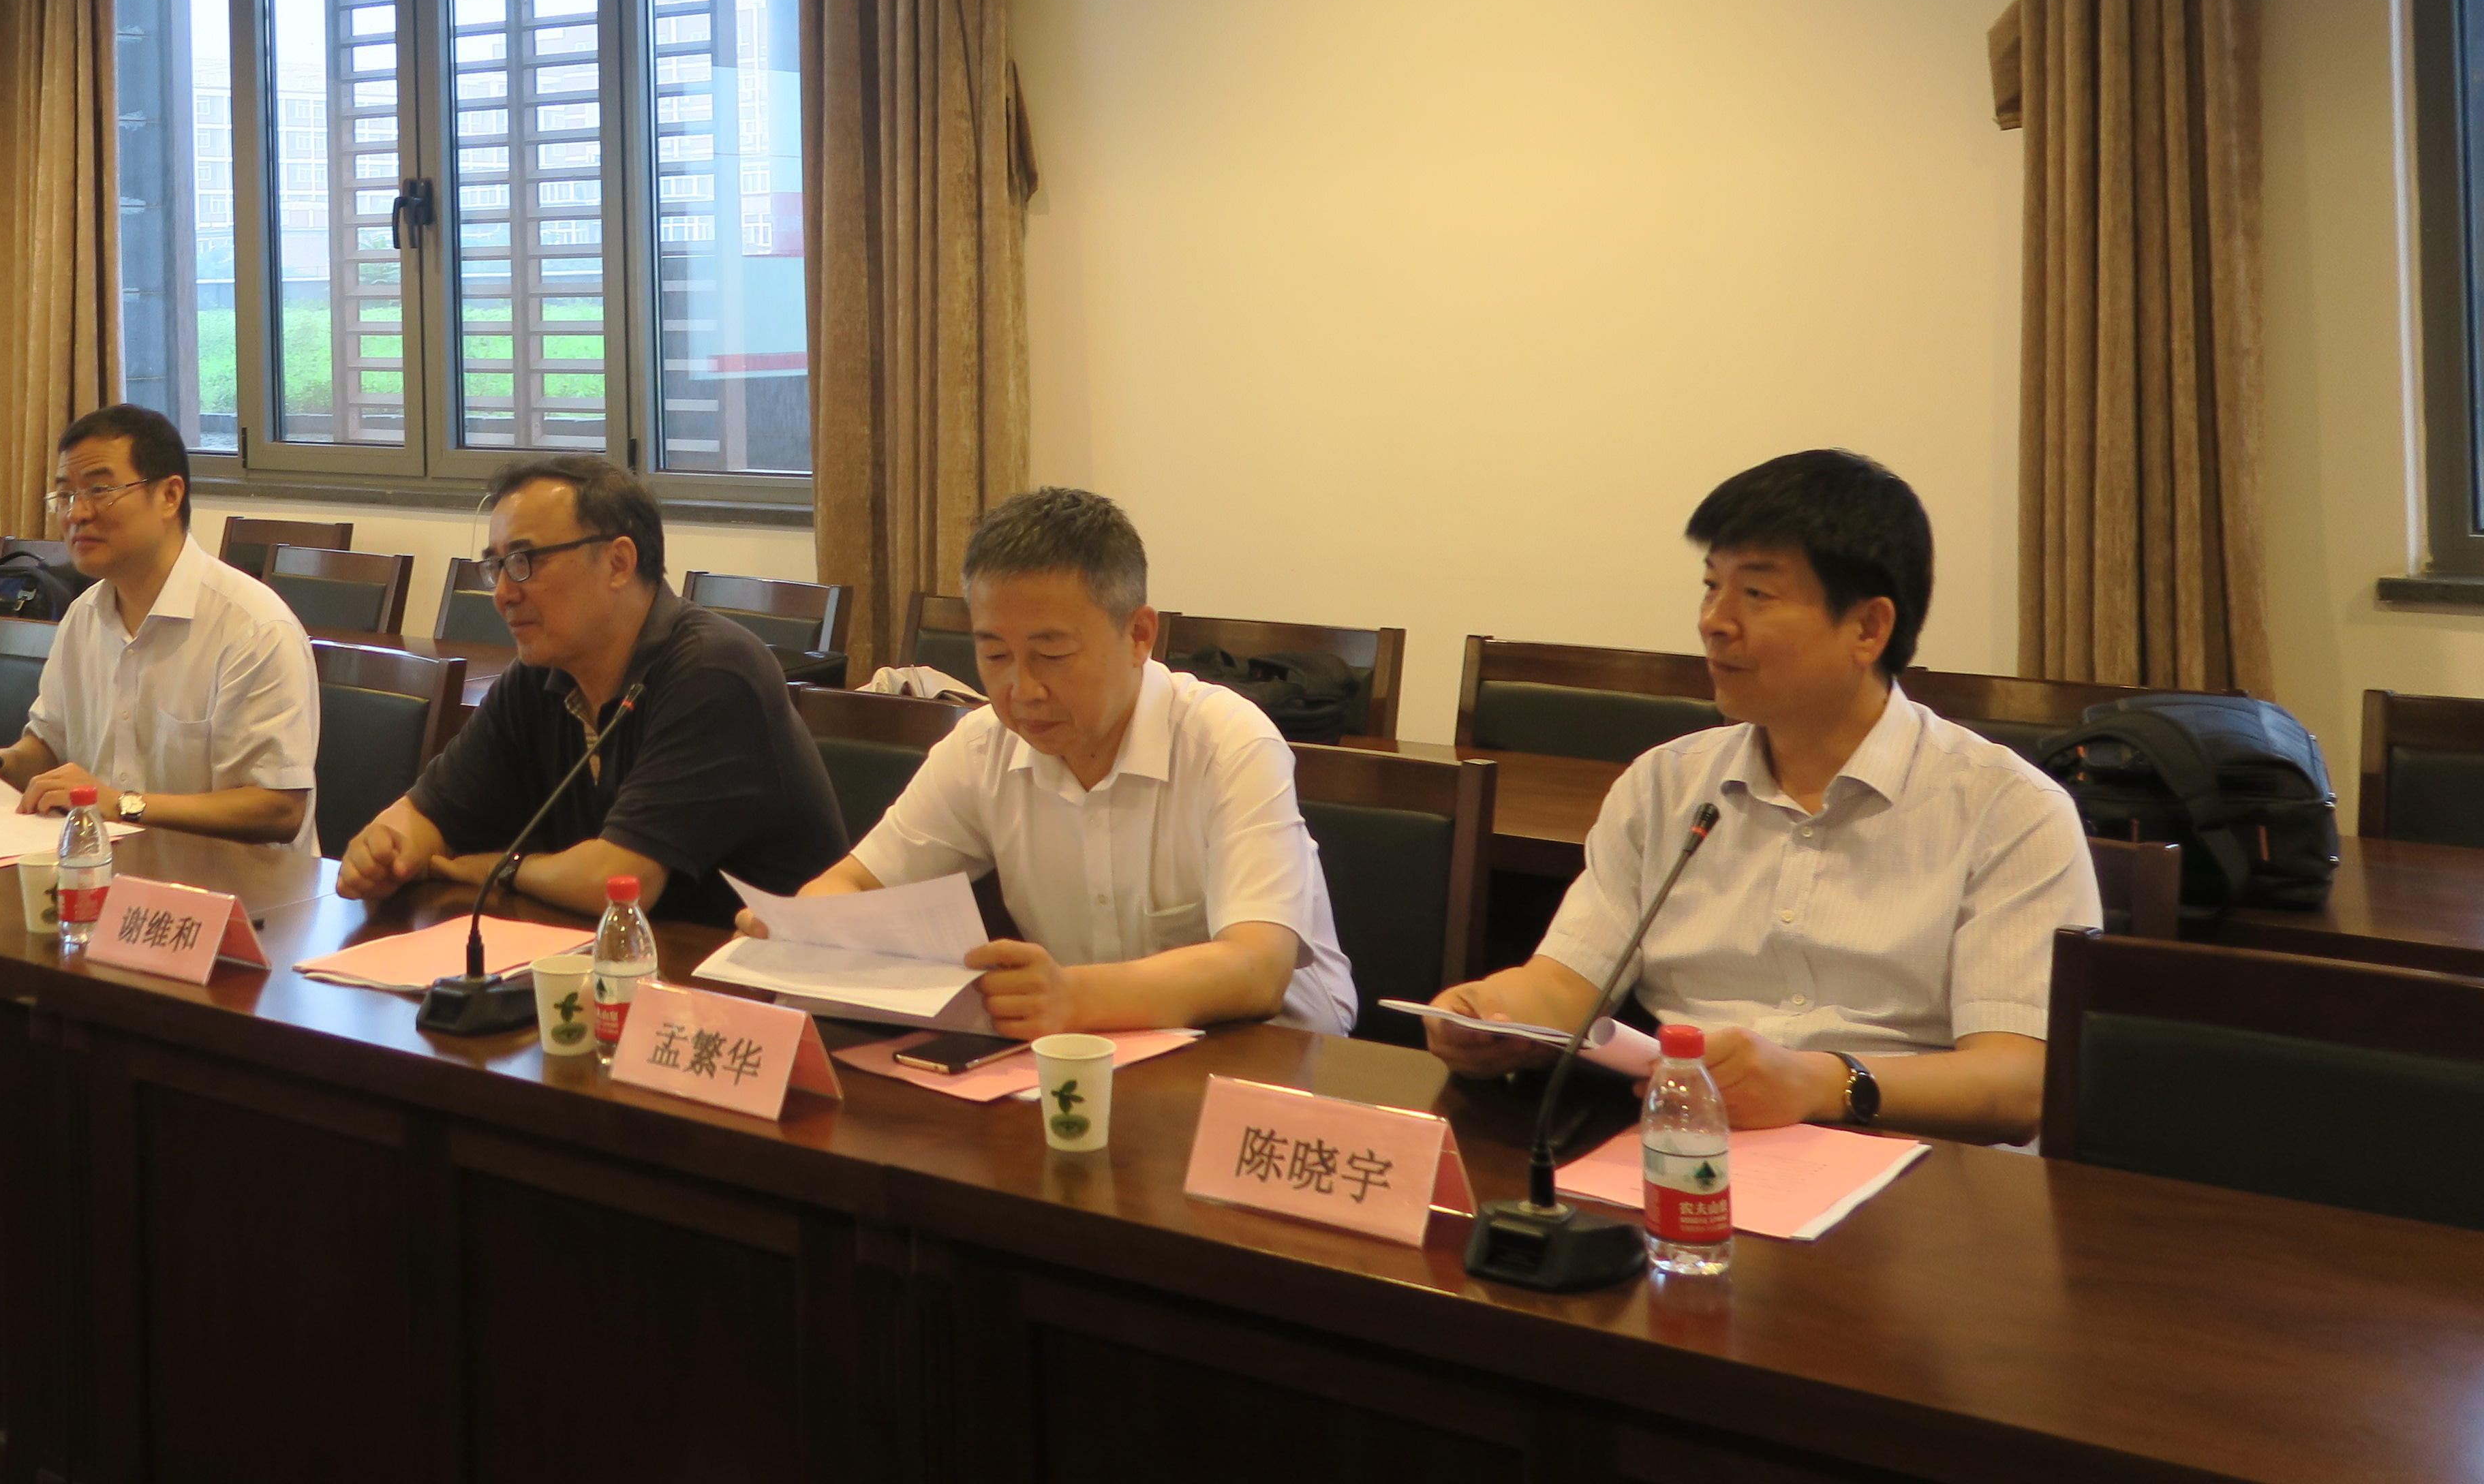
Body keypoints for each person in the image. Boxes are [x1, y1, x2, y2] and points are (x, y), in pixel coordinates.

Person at [1417, 449, 2100, 1144]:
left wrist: (1818, 1084)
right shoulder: (1665, 785)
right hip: (1687, 1145)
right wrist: (1489, 1011)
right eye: (1711, 587)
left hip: (1911, 1169)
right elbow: (1566, 984)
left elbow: (2019, 1081)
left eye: (1756, 595)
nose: (1715, 621)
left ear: (1869, 628)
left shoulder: (2008, 810)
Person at [743, 488, 1359, 1039]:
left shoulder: (1229, 743)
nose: (1021, 689)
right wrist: (803, 928)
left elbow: (1257, 967)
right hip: (1094, 1051)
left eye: (1052, 654)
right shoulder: (982, 747)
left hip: (1275, 1056)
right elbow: (854, 883)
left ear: (1140, 635)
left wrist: (1072, 997)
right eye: (995, 655)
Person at [337, 454, 844, 924]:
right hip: (607, 960)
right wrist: (387, 848)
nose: (504, 593)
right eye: (496, 566)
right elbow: (427, 815)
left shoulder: (713, 670)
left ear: (619, 563)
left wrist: (498, 867)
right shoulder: (538, 674)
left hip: (742, 972)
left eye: (526, 561)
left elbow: (618, 884)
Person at [0, 405, 318, 851]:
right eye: (65, 495)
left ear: (169, 496)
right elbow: (48, 748)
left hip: (234, 883)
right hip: (105, 867)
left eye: (100, 490)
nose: (77, 514)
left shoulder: (253, 627)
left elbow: (279, 808)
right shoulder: (83, 616)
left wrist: (122, 805)